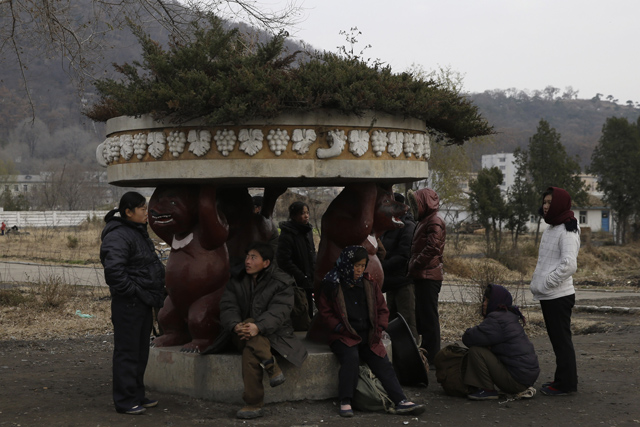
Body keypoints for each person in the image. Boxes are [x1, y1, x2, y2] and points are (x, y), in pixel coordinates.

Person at [316, 245, 425, 418]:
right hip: (344, 335)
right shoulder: (332, 284)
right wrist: (339, 328)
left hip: (368, 334)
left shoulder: (369, 284)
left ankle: (400, 400)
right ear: (346, 263)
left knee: (382, 361)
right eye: (355, 265)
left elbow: (382, 309)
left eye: (362, 265)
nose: (359, 270)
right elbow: (325, 312)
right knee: (350, 358)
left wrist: (379, 328)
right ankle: (346, 400)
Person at [219, 241, 308, 420]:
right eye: (247, 257)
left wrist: (257, 327)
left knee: (250, 353)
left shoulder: (281, 282)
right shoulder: (237, 279)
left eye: (253, 257)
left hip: (274, 334)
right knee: (248, 327)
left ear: (266, 263)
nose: (248, 261)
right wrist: (236, 324)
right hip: (241, 333)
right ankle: (270, 365)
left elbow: (279, 311)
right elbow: (228, 306)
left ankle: (253, 403)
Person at [100, 191, 165, 415]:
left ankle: (137, 394)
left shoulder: (136, 232)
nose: (147, 213)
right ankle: (125, 400)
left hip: (143, 302)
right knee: (127, 353)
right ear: (128, 212)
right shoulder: (118, 235)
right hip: (129, 305)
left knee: (139, 353)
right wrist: (134, 292)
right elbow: (114, 272)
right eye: (142, 209)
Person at [531, 186, 580, 396]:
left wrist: (546, 283)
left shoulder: (568, 230)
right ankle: (563, 379)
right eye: (545, 201)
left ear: (560, 204)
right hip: (551, 295)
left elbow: (569, 265)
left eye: (550, 202)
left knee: (561, 342)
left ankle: (566, 384)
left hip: (558, 296)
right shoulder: (553, 227)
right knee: (558, 341)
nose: (546, 205)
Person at [462, 284, 540, 400]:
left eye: (487, 301)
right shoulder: (509, 316)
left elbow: (469, 338)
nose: (484, 304)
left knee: (476, 351)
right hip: (525, 377)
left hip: (517, 381)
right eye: (484, 300)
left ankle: (487, 389)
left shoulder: (496, 319)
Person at [407, 188, 446, 364]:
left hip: (429, 275)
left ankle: (433, 355)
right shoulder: (426, 220)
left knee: (429, 317)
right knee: (424, 316)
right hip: (423, 275)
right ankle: (428, 350)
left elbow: (433, 248)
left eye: (417, 203)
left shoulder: (434, 221)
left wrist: (415, 263)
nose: (415, 207)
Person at [381, 193, 418, 342]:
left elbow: (404, 255)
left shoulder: (408, 226)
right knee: (391, 321)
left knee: (407, 320)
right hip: (391, 281)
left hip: (403, 281)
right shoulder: (389, 225)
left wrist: (382, 266)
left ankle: (414, 354)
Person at [276, 201, 316, 321]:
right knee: (299, 308)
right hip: (296, 280)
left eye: (307, 213)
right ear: (294, 215)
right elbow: (284, 260)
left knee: (309, 305)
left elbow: (312, 253)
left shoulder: (307, 231)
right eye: (302, 213)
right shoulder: (287, 234)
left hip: (309, 277)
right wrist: (300, 275)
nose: (306, 216)